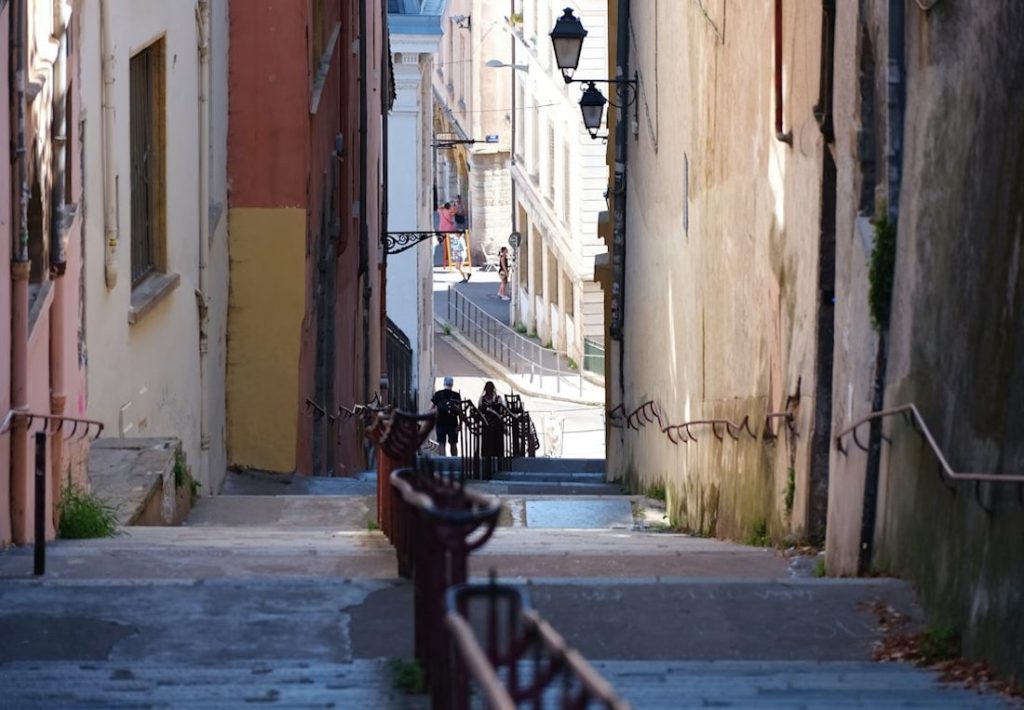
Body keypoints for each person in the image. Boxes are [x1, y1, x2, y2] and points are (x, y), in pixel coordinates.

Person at [478, 381, 505, 478]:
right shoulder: (482, 399)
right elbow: (480, 411)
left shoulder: (498, 399)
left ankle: (498, 467)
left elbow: (502, 412)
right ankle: (487, 469)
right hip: (487, 428)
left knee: (497, 447)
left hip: (497, 427)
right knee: (487, 448)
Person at [431, 376, 462, 456]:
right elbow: (460, 411)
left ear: (444, 383)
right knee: (453, 443)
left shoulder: (438, 394)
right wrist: (460, 424)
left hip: (440, 422)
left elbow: (431, 408)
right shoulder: (456, 395)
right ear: (452, 384)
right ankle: (454, 460)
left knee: (441, 443)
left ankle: (442, 461)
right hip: (453, 423)